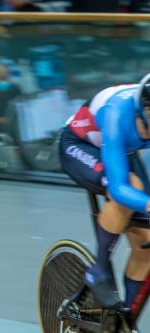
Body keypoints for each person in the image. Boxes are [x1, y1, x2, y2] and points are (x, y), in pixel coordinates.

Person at [59, 74, 150, 309]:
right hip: (80, 145)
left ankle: (125, 321)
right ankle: (98, 270)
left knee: (147, 247)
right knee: (132, 189)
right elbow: (119, 188)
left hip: (122, 150)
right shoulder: (117, 112)